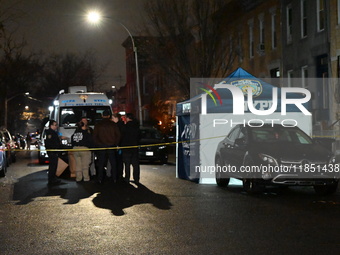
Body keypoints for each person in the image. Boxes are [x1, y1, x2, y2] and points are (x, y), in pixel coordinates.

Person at [93, 109, 121, 184]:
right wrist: (115, 143)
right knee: (113, 163)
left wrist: (98, 144)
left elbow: (95, 136)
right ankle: (114, 178)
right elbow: (118, 135)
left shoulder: (98, 125)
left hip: (101, 146)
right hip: (111, 146)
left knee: (101, 163)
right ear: (109, 116)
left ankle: (100, 178)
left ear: (102, 116)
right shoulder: (113, 125)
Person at [121, 113, 141, 184]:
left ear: (127, 118)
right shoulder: (136, 127)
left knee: (127, 164)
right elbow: (139, 137)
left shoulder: (125, 127)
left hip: (126, 148)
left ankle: (127, 178)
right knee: (135, 165)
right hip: (134, 148)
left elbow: (122, 137)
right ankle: (136, 178)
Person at [45, 120, 62, 185]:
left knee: (54, 166)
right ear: (51, 126)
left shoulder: (53, 132)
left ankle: (53, 178)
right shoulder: (50, 133)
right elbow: (49, 143)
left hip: (54, 151)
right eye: (55, 125)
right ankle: (52, 180)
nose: (56, 126)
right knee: (52, 166)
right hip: (52, 152)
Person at [112, 113, 125, 181]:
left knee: (118, 161)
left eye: (113, 118)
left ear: (116, 118)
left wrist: (118, 144)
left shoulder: (117, 126)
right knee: (119, 161)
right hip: (119, 145)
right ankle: (119, 174)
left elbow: (119, 136)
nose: (112, 119)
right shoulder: (121, 125)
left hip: (118, 146)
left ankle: (118, 174)